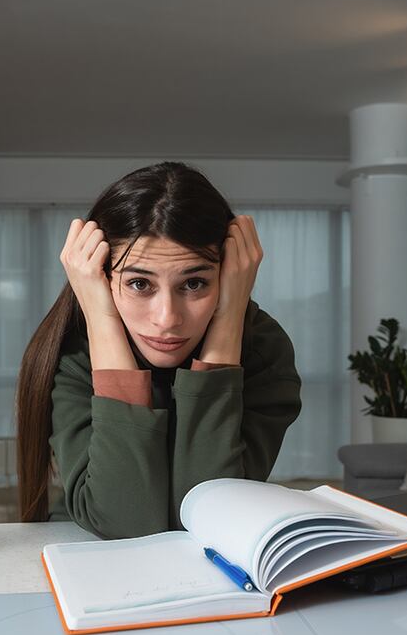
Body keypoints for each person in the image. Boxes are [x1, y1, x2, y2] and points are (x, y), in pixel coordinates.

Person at [16, 162, 302, 539]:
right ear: (99, 277)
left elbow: (209, 515)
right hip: (83, 552)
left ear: (231, 276)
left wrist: (229, 320)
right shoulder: (73, 353)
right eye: (139, 283)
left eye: (195, 283)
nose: (167, 318)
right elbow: (123, 522)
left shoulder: (263, 349)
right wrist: (101, 321)